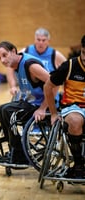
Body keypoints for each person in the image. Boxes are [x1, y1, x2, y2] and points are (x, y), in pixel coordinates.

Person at [0, 41, 51, 166]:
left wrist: (43, 108)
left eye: (4, 55)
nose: (2, 60)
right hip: (29, 102)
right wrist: (13, 86)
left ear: (13, 51)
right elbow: (10, 75)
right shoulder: (15, 64)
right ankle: (16, 149)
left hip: (41, 105)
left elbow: (53, 83)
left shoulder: (30, 65)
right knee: (1, 109)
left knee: (7, 111)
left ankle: (20, 153)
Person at [44, 35, 85, 178]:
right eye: (84, 53)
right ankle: (79, 165)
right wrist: (54, 113)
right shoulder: (70, 66)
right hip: (73, 106)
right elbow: (48, 86)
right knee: (75, 121)